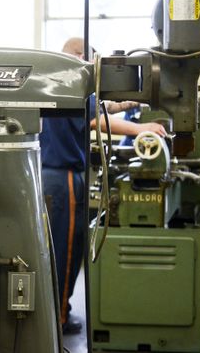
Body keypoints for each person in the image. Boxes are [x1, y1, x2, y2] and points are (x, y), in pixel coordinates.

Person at [40, 37, 167, 335]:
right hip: (64, 179)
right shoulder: (71, 84)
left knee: (66, 248)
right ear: (80, 56)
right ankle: (57, 319)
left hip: (59, 176)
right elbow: (96, 120)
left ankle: (59, 311)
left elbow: (102, 106)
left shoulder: (59, 81)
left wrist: (134, 101)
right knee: (66, 251)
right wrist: (141, 128)